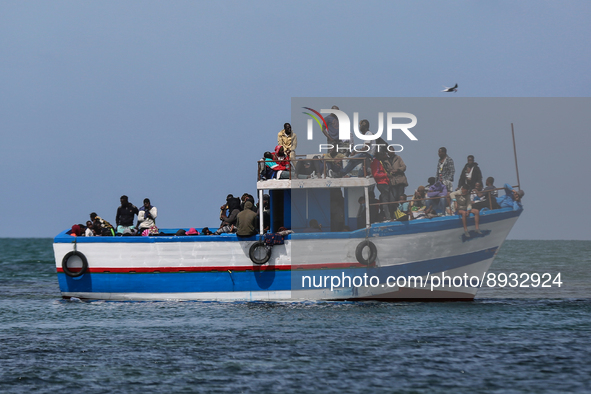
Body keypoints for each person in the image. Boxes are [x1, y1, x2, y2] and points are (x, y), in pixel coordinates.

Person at [371, 150, 393, 221]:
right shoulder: (376, 162)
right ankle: (388, 217)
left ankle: (388, 215)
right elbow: (375, 174)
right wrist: (385, 175)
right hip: (382, 183)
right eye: (382, 155)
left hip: (385, 183)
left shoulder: (380, 162)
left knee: (389, 199)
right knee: (385, 200)